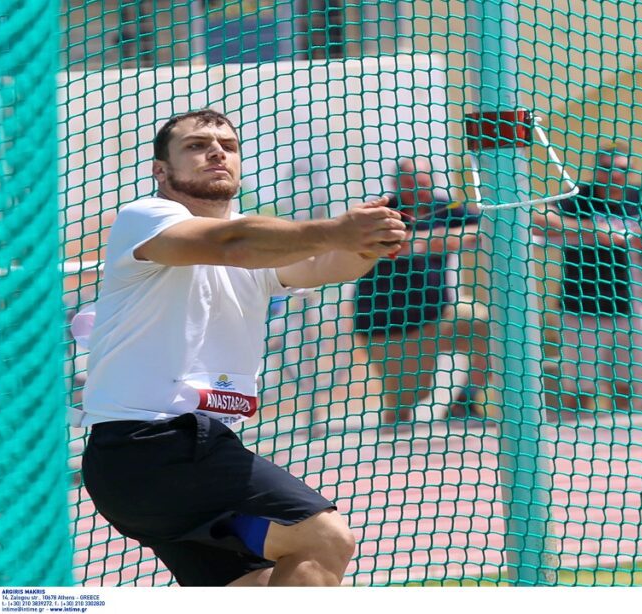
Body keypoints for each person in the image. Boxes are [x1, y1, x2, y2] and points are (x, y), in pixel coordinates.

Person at [78, 109, 409, 587]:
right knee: (324, 538)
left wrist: (368, 242)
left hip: (177, 464)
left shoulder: (258, 246)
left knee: (257, 584)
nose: (216, 152)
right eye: (196, 145)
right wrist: (338, 228)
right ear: (160, 170)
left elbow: (324, 267)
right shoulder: (147, 217)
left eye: (227, 146)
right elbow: (231, 243)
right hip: (153, 448)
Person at [537, 143, 642, 417]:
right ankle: (577, 444)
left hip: (629, 306)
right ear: (596, 170)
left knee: (627, 384)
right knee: (580, 387)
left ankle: (624, 443)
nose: (614, 174)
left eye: (621, 170)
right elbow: (541, 214)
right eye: (606, 168)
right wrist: (594, 231)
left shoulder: (641, 198)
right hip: (581, 306)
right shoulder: (580, 198)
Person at [352, 157, 491, 425]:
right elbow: (401, 245)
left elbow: (490, 224)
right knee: (405, 405)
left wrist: (447, 238)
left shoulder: (445, 208)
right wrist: (435, 240)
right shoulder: (382, 212)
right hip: (390, 325)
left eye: (423, 182)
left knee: (494, 329)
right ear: (395, 185)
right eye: (409, 183)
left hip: (440, 313)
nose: (418, 188)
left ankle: (464, 403)